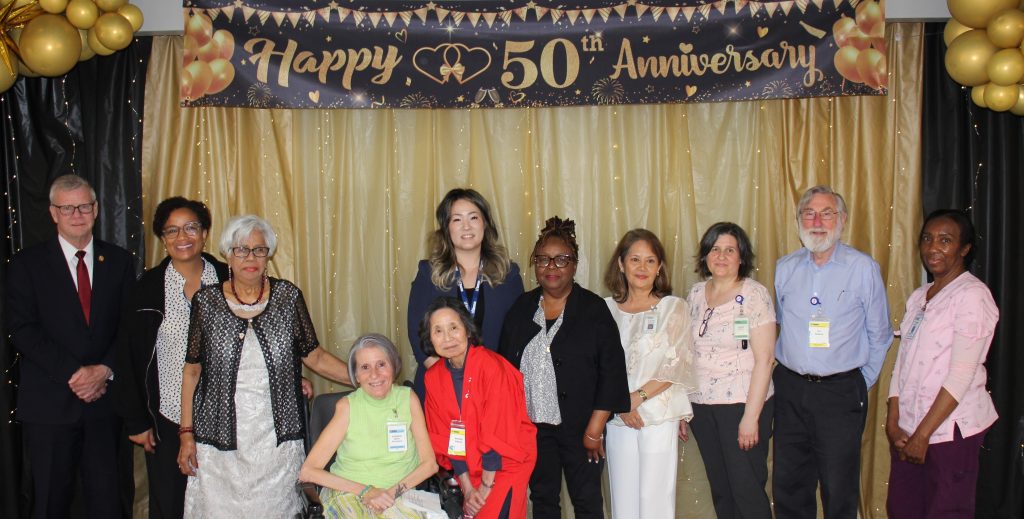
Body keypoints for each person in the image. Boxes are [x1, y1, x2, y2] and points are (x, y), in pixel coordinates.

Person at [176, 215, 352, 517]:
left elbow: (315, 356)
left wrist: (365, 379)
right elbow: (192, 370)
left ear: (268, 255)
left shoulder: (287, 297)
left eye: (259, 250)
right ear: (227, 255)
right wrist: (186, 434)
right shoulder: (207, 303)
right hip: (219, 442)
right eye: (241, 250)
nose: (251, 257)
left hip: (277, 441)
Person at [6, 174, 136, 518]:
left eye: (83, 206)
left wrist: (104, 369)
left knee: (109, 503)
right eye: (67, 208)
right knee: (49, 502)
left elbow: (129, 327)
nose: (76, 214)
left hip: (105, 407)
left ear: (95, 210)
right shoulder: (25, 265)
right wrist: (76, 373)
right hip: (49, 406)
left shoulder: (120, 261)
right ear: (53, 213)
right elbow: (21, 329)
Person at [772, 185, 892, 518]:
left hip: (841, 392)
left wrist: (855, 382)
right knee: (790, 485)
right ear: (798, 220)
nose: (817, 221)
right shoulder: (784, 268)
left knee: (839, 488)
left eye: (827, 213)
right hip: (790, 388)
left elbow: (880, 334)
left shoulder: (863, 268)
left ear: (842, 220)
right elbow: (782, 325)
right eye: (809, 213)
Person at [499, 216, 629, 519]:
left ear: (575, 264)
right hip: (535, 431)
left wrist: (595, 429)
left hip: (582, 429)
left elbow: (611, 371)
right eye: (543, 260)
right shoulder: (521, 309)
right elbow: (505, 370)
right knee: (543, 500)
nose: (551, 267)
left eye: (561, 260)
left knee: (586, 501)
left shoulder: (594, 310)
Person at [113, 197, 227, 519]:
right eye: (172, 230)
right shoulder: (146, 288)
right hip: (168, 418)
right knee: (170, 503)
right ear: (162, 239)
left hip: (227, 415)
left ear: (205, 232)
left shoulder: (228, 278)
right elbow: (129, 358)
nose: (183, 237)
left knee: (222, 501)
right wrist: (137, 420)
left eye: (191, 227)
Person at [885, 209, 999, 518]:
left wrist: (923, 435)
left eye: (945, 240)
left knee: (946, 511)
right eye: (927, 238)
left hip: (950, 431)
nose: (933, 247)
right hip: (908, 430)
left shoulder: (973, 296)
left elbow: (961, 374)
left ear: (964, 249)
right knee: (902, 509)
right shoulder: (920, 296)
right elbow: (902, 363)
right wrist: (893, 423)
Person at [601, 229, 696, 519]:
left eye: (650, 261)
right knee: (623, 500)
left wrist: (636, 398)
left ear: (659, 268)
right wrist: (621, 404)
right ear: (621, 264)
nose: (642, 268)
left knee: (654, 500)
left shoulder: (673, 307)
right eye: (635, 259)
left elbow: (676, 363)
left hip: (657, 415)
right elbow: (598, 365)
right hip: (618, 417)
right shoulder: (605, 309)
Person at [685, 222, 776, 519]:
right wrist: (683, 408)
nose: (721, 256)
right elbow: (688, 354)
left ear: (741, 257)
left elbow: (765, 360)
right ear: (705, 256)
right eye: (715, 249)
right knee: (721, 490)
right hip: (702, 406)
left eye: (730, 250)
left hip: (742, 405)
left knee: (746, 490)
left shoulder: (754, 294)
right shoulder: (696, 293)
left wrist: (751, 418)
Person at [299, 334, 438, 518]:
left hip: (400, 494)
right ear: (355, 375)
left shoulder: (408, 399)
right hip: (349, 494)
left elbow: (430, 465)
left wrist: (389, 494)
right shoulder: (347, 407)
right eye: (365, 367)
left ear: (394, 366)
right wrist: (367, 491)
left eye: (381, 364)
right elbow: (308, 472)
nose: (375, 374)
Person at [422, 298, 537, 519]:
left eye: (454, 327)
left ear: (467, 328)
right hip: (471, 469)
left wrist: (485, 487)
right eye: (438, 331)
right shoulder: (433, 377)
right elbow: (448, 437)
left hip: (504, 465)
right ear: (430, 338)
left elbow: (498, 434)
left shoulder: (492, 367)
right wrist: (466, 487)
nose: (448, 338)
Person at [408, 188, 524, 401]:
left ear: (485, 223)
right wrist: (451, 380)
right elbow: (418, 333)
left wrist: (489, 378)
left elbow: (517, 335)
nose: (466, 226)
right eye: (457, 219)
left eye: (473, 217)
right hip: (441, 385)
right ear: (446, 228)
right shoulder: (428, 273)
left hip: (494, 386)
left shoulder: (508, 274)